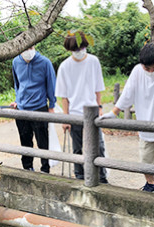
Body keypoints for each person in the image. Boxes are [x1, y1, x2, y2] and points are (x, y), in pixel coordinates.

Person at [100, 42, 154, 195]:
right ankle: (150, 183)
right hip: (146, 120)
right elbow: (128, 93)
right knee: (146, 157)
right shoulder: (138, 71)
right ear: (141, 64)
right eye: (147, 68)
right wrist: (114, 112)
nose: (151, 71)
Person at [55, 32, 108, 183]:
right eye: (75, 49)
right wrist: (66, 118)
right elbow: (63, 96)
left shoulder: (93, 61)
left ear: (85, 46)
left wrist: (99, 107)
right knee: (77, 148)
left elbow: (98, 88)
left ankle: (102, 177)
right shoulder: (65, 66)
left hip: (92, 112)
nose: (79, 52)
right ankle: (79, 176)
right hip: (74, 113)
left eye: (81, 47)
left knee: (98, 147)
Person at [10, 45, 56, 173]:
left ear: (34, 46)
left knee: (42, 141)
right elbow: (17, 84)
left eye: (30, 47)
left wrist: (52, 105)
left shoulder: (45, 62)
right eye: (24, 47)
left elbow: (51, 84)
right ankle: (27, 168)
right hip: (21, 109)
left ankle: (45, 169)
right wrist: (17, 100)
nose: (27, 50)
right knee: (25, 140)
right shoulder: (15, 62)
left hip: (39, 107)